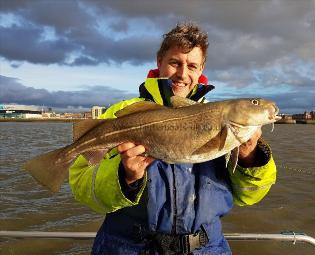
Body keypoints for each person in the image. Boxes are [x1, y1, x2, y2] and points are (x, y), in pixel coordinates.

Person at [69, 22, 277, 255]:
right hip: (128, 247)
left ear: (201, 69)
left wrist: (249, 157)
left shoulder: (227, 124)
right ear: (159, 61)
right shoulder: (120, 113)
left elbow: (249, 196)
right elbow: (81, 186)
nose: (182, 74)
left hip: (208, 248)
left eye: (192, 66)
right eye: (175, 63)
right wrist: (124, 177)